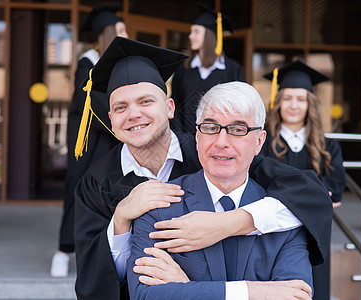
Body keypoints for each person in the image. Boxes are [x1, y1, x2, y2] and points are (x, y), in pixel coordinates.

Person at [74, 37, 331, 300]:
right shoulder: (97, 183)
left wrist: (229, 223)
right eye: (120, 107)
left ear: (170, 107)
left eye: (146, 101)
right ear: (111, 121)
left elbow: (306, 194)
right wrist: (121, 219)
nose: (134, 114)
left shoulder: (211, 154)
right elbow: (96, 283)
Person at [128, 81, 313, 300]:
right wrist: (253, 292)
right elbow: (145, 296)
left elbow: (297, 297)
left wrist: (186, 287)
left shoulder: (285, 219)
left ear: (259, 142)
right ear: (197, 136)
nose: (221, 142)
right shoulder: (160, 207)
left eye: (237, 129)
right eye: (210, 127)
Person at [50, 5, 128, 277]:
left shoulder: (119, 65)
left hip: (111, 142)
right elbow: (91, 103)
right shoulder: (89, 63)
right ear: (109, 34)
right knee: (78, 191)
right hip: (88, 141)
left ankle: (103, 253)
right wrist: (122, 123)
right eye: (121, 30)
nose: (126, 33)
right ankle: (63, 251)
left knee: (110, 196)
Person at [260, 60, 347, 300]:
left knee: (314, 290)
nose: (293, 105)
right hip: (273, 231)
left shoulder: (327, 147)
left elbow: (336, 185)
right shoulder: (264, 143)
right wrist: (313, 196)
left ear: (310, 104)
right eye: (287, 98)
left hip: (314, 234)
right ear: (278, 102)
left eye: (301, 99)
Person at [171, 4, 245, 134]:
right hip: (186, 139)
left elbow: (239, 106)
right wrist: (179, 134)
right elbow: (176, 102)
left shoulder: (232, 70)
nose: (190, 36)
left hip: (220, 137)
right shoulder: (184, 69)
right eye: (191, 31)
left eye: (196, 31)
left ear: (210, 35)